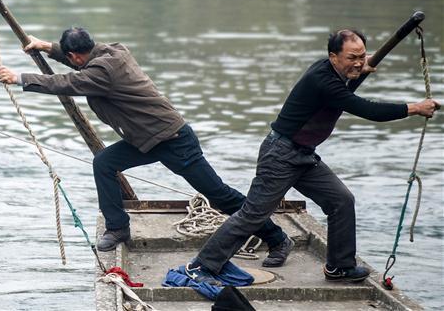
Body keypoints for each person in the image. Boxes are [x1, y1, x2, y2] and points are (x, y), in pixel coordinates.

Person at [0, 27, 294, 267]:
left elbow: (67, 82)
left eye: (70, 56)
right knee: (105, 163)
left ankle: (278, 239)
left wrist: (19, 78)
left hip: (173, 140)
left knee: (219, 195)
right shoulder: (111, 50)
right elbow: (77, 64)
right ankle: (118, 228)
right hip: (145, 139)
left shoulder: (101, 72)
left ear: (76, 55)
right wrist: (45, 46)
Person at [185, 29, 439, 285]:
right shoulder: (324, 81)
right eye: (352, 57)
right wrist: (415, 108)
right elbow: (369, 110)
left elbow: (351, 76)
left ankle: (340, 267)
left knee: (341, 200)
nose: (359, 62)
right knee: (253, 215)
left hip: (304, 155)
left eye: (362, 56)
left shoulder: (336, 71)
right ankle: (201, 266)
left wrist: (360, 65)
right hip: (281, 155)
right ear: (333, 57)